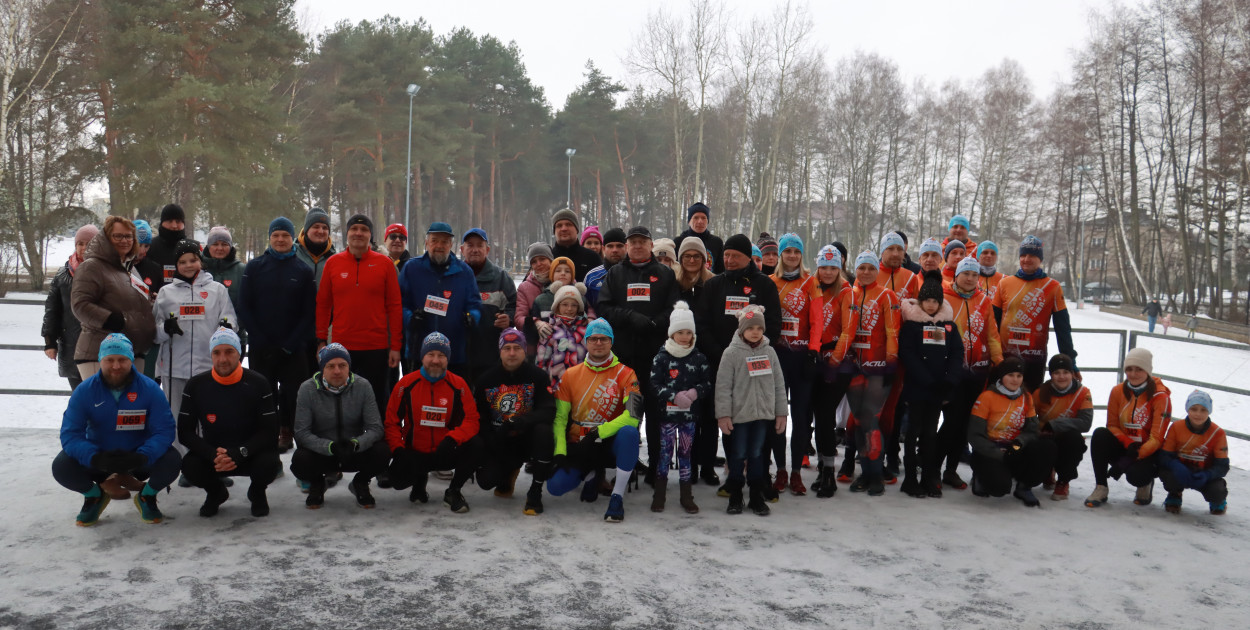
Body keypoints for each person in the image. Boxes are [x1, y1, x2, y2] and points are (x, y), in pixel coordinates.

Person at [53, 333, 179, 526]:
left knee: (172, 460)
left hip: (138, 456)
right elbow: (70, 434)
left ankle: (147, 496)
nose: (116, 366)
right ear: (100, 360)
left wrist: (144, 455)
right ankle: (94, 496)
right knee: (62, 466)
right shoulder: (85, 391)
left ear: (131, 361)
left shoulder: (150, 389)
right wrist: (94, 457)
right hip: (100, 457)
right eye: (109, 360)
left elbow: (165, 430)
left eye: (122, 360)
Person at [596, 225, 679, 487]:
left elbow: (675, 308)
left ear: (650, 245)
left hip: (656, 359)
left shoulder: (664, 274)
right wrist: (631, 317)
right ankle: (625, 468)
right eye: (633, 242)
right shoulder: (616, 274)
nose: (638, 246)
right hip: (625, 359)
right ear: (627, 246)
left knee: (656, 415)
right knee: (627, 414)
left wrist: (656, 323)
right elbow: (605, 306)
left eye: (643, 242)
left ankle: (656, 468)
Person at [546, 319, 643, 523]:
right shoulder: (570, 374)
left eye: (604, 339)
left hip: (610, 440)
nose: (599, 343)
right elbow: (560, 418)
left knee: (630, 433)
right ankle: (592, 473)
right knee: (555, 488)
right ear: (586, 342)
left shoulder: (626, 374)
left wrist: (599, 432)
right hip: (580, 444)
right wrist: (560, 451)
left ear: (611, 342)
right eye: (593, 339)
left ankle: (617, 496)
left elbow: (633, 416)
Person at [177, 328, 280, 517]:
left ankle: (257, 492)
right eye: (217, 353)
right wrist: (211, 453)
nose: (223, 359)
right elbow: (185, 432)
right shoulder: (196, 385)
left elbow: (270, 431)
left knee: (270, 463)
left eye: (229, 352)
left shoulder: (258, 383)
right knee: (190, 466)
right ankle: (216, 493)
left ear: (239, 353)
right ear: (211, 355)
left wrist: (240, 452)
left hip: (250, 453)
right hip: (215, 456)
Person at [238, 217, 316, 453]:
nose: (280, 239)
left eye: (285, 235)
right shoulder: (254, 267)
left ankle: (303, 453)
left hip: (293, 349)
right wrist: (260, 339)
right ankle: (266, 453)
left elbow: (309, 313)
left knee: (297, 401)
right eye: (276, 235)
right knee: (264, 401)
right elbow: (244, 307)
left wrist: (290, 345)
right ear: (269, 238)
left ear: (293, 238)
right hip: (262, 349)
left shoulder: (302, 270)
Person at [384, 332, 483, 513]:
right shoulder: (406, 384)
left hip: (445, 449)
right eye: (431, 355)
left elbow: (472, 420)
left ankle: (454, 491)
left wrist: (453, 438)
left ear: (448, 358)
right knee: (397, 480)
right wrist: (398, 450)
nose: (436, 360)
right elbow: (391, 422)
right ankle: (419, 481)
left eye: (441, 355)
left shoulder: (459, 385)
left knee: (476, 445)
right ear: (423, 357)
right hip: (415, 451)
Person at [316, 214, 403, 419]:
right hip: (342, 347)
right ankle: (346, 444)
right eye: (354, 229)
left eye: (364, 230)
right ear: (347, 234)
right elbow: (323, 304)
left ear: (370, 235)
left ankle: (377, 444)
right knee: (342, 400)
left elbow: (395, 306)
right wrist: (321, 339)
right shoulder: (333, 263)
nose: (358, 233)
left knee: (376, 399)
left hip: (376, 346)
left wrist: (396, 346)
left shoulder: (385, 264)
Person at [830, 250, 900, 496]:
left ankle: (873, 474)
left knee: (871, 422)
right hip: (854, 368)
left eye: (871, 268)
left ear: (877, 270)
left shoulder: (886, 295)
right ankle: (861, 469)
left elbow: (893, 332)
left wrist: (891, 363)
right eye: (862, 268)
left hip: (878, 369)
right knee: (858, 421)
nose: (867, 273)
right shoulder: (849, 294)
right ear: (855, 270)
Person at [291, 343, 390, 509]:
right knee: (300, 460)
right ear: (322, 368)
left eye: (342, 365)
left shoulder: (363, 386)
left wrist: (356, 443)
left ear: (349, 367)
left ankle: (360, 482)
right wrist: (329, 447)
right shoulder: (307, 389)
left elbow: (376, 428)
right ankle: (317, 483)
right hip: (323, 452)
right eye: (330, 366)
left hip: (353, 450)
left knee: (383, 451)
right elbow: (301, 432)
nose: (337, 371)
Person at [473, 328, 556, 515]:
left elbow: (549, 410)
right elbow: (480, 418)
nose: (512, 353)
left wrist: (522, 421)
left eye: (517, 348)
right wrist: (492, 443)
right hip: (501, 440)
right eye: (507, 348)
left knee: (544, 431)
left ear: (524, 350)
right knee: (486, 481)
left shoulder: (538, 376)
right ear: (500, 351)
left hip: (528, 437)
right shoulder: (486, 380)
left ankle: (535, 490)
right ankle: (508, 472)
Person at [898, 270, 964, 498]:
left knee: (930, 434)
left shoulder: (949, 327)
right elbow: (908, 356)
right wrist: (928, 381)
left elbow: (957, 354)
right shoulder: (912, 326)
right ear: (920, 301)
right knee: (913, 433)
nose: (930, 305)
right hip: (918, 389)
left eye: (935, 301)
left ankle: (928, 476)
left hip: (939, 390)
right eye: (926, 300)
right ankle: (909, 478)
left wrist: (950, 381)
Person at [715, 305, 787, 515]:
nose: (755, 331)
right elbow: (723, 387)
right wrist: (723, 415)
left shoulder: (770, 352)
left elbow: (778, 384)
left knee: (757, 453)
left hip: (763, 415)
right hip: (740, 416)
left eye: (759, 327)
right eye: (750, 327)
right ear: (741, 330)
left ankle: (756, 493)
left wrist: (781, 412)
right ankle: (735, 491)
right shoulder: (731, 353)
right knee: (738, 454)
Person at [152, 239, 237, 417]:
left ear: (201, 261)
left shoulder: (217, 290)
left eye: (193, 260)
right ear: (176, 265)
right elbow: (155, 334)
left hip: (206, 366)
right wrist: (166, 328)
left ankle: (203, 445)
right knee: (176, 415)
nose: (188, 265)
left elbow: (230, 319)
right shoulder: (166, 293)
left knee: (206, 414)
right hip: (174, 368)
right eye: (182, 262)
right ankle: (177, 446)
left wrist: (226, 327)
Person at [940, 256, 1004, 490]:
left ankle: (951, 470)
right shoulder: (944, 298)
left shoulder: (984, 301)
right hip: (950, 372)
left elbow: (992, 335)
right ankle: (932, 466)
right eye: (966, 273)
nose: (970, 278)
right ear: (956, 275)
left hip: (977, 372)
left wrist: (999, 362)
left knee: (964, 424)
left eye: (975, 275)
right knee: (951, 422)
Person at [768, 233, 823, 496]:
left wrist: (813, 352)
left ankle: (797, 473)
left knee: (801, 417)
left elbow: (817, 320)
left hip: (802, 357)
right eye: (787, 251)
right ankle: (780, 469)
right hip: (777, 356)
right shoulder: (770, 282)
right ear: (781, 255)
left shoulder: (811, 283)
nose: (792, 256)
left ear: (802, 256)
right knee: (778, 415)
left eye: (796, 252)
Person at [70, 216, 157, 380]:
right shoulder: (92, 266)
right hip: (99, 353)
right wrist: (111, 320)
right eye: (118, 236)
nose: (124, 240)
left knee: (129, 406)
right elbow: (80, 304)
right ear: (106, 238)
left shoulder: (128, 268)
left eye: (129, 236)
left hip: (131, 352)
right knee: (103, 405)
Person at [1085, 348, 1170, 508]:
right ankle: (1101, 487)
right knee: (1100, 435)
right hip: (1126, 445)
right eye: (1129, 369)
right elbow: (1112, 425)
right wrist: (1127, 443)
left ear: (1148, 371)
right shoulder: (1117, 391)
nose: (1133, 374)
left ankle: (1145, 484)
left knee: (1136, 476)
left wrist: (1130, 459)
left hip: (1148, 450)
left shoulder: (1160, 397)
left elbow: (1157, 438)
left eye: (1139, 369)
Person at [966, 357, 1056, 506]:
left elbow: (1032, 430)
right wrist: (1000, 455)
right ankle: (980, 477)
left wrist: (1018, 444)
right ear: (1002, 376)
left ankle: (1024, 486)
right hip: (990, 451)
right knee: (999, 488)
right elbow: (975, 436)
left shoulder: (1026, 397)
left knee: (1047, 447)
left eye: (1019, 376)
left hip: (1015, 448)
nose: (1015, 380)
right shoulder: (987, 397)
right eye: (1010, 375)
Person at [649, 301, 711, 513]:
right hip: (667, 415)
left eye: (688, 332)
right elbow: (654, 384)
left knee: (685, 454)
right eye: (680, 332)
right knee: (665, 454)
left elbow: (706, 383)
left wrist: (694, 394)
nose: (685, 336)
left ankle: (686, 495)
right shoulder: (662, 357)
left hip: (689, 417)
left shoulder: (699, 358)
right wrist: (674, 396)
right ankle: (660, 494)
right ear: (671, 333)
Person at [992, 235, 1077, 391]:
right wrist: (992, 355)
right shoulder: (1004, 283)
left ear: (1040, 259)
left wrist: (1071, 361)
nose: (1026, 259)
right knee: (1002, 404)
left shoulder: (1053, 287)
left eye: (1032, 255)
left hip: (1034, 357)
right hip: (1005, 357)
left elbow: (1063, 328)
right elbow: (993, 323)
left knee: (1029, 405)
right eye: (1023, 255)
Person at [399, 222, 483, 377]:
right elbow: (400, 304)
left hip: (455, 353)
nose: (439, 245)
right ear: (426, 243)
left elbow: (475, 305)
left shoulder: (464, 272)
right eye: (434, 240)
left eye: (444, 242)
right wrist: (411, 318)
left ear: (451, 244)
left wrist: (472, 318)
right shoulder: (412, 269)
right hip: (418, 351)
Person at [673, 237, 718, 485]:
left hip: (707, 356)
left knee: (709, 414)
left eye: (696, 256)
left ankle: (708, 465)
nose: (691, 260)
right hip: (679, 356)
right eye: (687, 256)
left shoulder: (713, 283)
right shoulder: (673, 283)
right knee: (685, 412)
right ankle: (686, 463)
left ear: (704, 259)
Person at [811, 245, 852, 497]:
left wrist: (834, 361)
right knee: (819, 416)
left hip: (839, 361)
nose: (827, 272)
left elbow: (849, 330)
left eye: (833, 268)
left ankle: (829, 472)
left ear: (840, 268)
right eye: (824, 267)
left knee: (826, 415)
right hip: (815, 357)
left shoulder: (846, 291)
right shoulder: (811, 287)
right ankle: (822, 468)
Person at [44, 224, 99, 391]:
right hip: (71, 345)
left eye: (88, 244)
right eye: (80, 244)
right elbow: (52, 310)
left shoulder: (105, 271)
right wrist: (49, 341)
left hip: (99, 344)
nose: (83, 248)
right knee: (78, 396)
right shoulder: (63, 275)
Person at [1032, 353, 1092, 501]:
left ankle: (1063, 481)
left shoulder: (1083, 393)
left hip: (1067, 438)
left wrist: (1055, 424)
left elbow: (1086, 423)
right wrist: (1041, 430)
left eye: (1066, 372)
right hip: (1046, 436)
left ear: (1072, 374)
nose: (1061, 376)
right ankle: (1047, 471)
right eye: (1057, 373)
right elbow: (1029, 419)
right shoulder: (1040, 392)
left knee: (1074, 440)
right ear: (1051, 375)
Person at [1159, 390, 1229, 516]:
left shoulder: (1218, 433)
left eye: (1203, 410)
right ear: (1187, 409)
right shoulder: (1176, 427)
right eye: (1194, 409)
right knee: (1168, 475)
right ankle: (1175, 494)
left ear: (1209, 411)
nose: (1198, 414)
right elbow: (1164, 456)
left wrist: (1208, 474)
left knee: (1216, 490)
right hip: (1182, 471)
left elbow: (1222, 466)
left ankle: (1217, 500)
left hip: (1204, 473)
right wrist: (1176, 466)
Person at [461, 228, 517, 377]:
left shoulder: (501, 278)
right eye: (470, 245)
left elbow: (514, 305)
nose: (475, 250)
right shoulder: (454, 275)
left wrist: (509, 318)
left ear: (487, 250)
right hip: (458, 356)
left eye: (480, 245)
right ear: (462, 249)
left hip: (491, 356)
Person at [535, 281, 589, 393]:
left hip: (581, 388)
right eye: (565, 304)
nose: (569, 309)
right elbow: (541, 361)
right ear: (557, 306)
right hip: (556, 386)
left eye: (574, 305)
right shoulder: (550, 330)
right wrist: (543, 386)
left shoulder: (586, 330)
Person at [202, 226, 246, 353]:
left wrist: (234, 328)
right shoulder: (199, 269)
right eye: (215, 244)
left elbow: (247, 304)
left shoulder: (241, 270)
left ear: (231, 247)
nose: (219, 248)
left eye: (224, 244)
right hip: (203, 339)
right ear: (208, 246)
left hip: (235, 338)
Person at [515, 242, 554, 354]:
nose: (538, 264)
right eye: (534, 262)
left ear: (551, 260)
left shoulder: (563, 278)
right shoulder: (524, 287)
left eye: (542, 259)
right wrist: (535, 323)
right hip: (535, 347)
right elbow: (519, 318)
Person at [550, 208, 601, 281]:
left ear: (576, 229)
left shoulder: (593, 258)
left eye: (568, 224)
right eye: (559, 225)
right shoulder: (548, 257)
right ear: (554, 231)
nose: (564, 229)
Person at [675, 202, 726, 274]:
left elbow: (721, 271)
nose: (700, 221)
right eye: (696, 217)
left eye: (703, 218)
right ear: (689, 221)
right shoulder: (679, 242)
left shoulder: (716, 242)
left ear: (707, 221)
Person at [527, 257, 578, 328]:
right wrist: (538, 324)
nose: (563, 273)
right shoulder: (541, 300)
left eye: (567, 271)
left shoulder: (580, 298)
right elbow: (532, 322)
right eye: (558, 271)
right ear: (552, 275)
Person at [146, 203, 187, 287]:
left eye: (178, 221)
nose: (174, 226)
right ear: (162, 223)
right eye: (170, 221)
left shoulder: (191, 248)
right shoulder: (150, 247)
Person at [295, 208, 336, 287]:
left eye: (325, 228)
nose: (321, 231)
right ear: (306, 230)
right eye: (316, 227)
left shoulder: (335, 259)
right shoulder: (292, 254)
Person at [584, 227, 626, 306]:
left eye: (619, 246)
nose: (614, 250)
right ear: (603, 249)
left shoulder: (635, 273)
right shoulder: (592, 276)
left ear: (626, 247)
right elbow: (586, 307)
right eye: (610, 246)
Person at [878, 232, 921, 300]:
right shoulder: (869, 275)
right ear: (882, 252)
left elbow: (917, 306)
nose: (895, 254)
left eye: (900, 249)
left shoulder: (911, 277)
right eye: (890, 249)